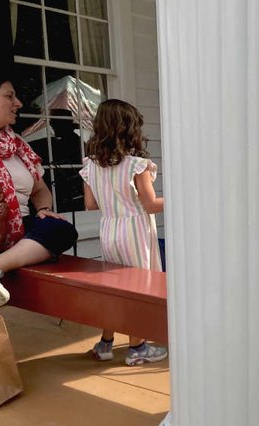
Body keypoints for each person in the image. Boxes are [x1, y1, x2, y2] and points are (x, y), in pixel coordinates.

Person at [0, 69, 77, 308]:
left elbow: (40, 190)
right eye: (10, 96)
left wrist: (44, 208)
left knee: (61, 230)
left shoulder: (17, 144)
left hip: (17, 233)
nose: (18, 103)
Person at [79, 99, 167, 366]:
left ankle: (105, 344)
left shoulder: (92, 165)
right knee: (138, 289)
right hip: (135, 230)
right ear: (129, 129)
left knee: (115, 287)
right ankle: (137, 347)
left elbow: (91, 204)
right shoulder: (136, 165)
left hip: (109, 228)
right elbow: (151, 205)